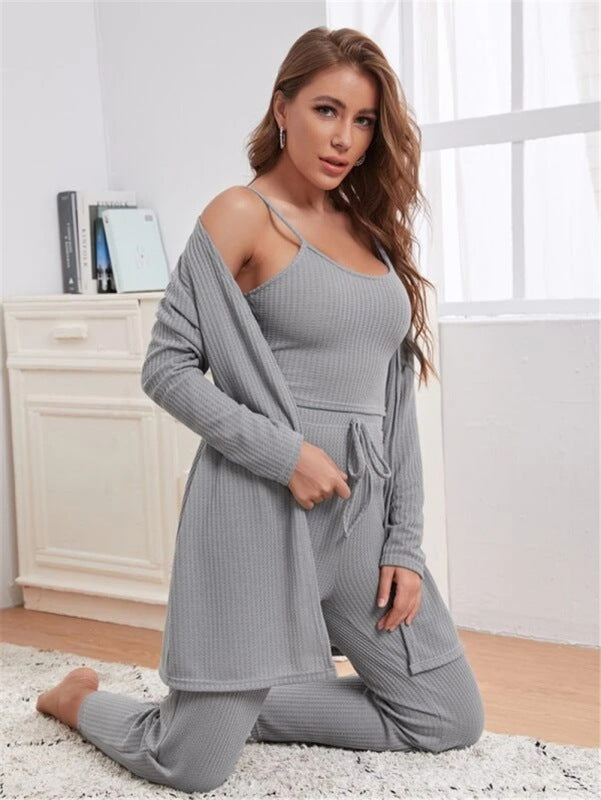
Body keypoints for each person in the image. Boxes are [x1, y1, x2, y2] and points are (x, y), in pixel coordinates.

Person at [36, 26, 484, 794]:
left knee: (447, 716)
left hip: (361, 525)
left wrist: (404, 545)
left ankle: (238, 702)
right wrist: (287, 456)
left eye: (363, 120)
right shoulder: (242, 213)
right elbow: (166, 368)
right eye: (325, 110)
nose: (344, 138)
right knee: (190, 765)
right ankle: (80, 701)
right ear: (282, 107)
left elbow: (393, 404)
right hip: (257, 513)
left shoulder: (371, 233)